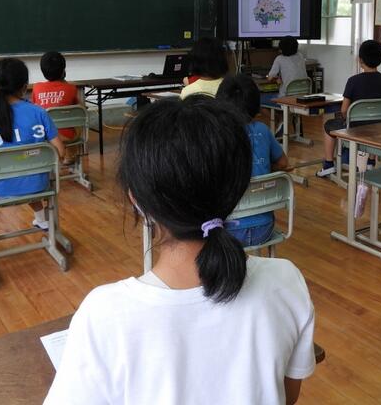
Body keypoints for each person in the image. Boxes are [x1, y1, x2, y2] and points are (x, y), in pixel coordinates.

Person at [45, 97, 315, 404]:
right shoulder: (286, 279)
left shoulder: (104, 315)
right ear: (240, 187)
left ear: (137, 201)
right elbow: (287, 396)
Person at [0, 58, 65, 244]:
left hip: (0, 191)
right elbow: (60, 152)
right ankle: (42, 219)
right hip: (39, 186)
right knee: (26, 170)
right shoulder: (39, 113)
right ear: (24, 86)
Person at [216, 75, 289, 247]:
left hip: (227, 231)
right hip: (264, 228)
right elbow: (283, 163)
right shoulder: (263, 130)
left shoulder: (217, 135)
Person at [316, 40, 381, 178]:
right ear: (380, 59)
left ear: (360, 59)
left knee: (328, 125)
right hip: (378, 129)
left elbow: (344, 110)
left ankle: (328, 164)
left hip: (355, 130)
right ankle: (370, 162)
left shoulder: (353, 81)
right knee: (373, 124)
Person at [32, 51, 80, 163]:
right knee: (79, 116)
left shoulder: (37, 88)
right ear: (63, 70)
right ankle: (69, 155)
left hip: (45, 136)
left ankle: (50, 158)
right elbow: (79, 109)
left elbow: (35, 108)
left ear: (43, 71)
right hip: (67, 136)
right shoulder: (71, 88)